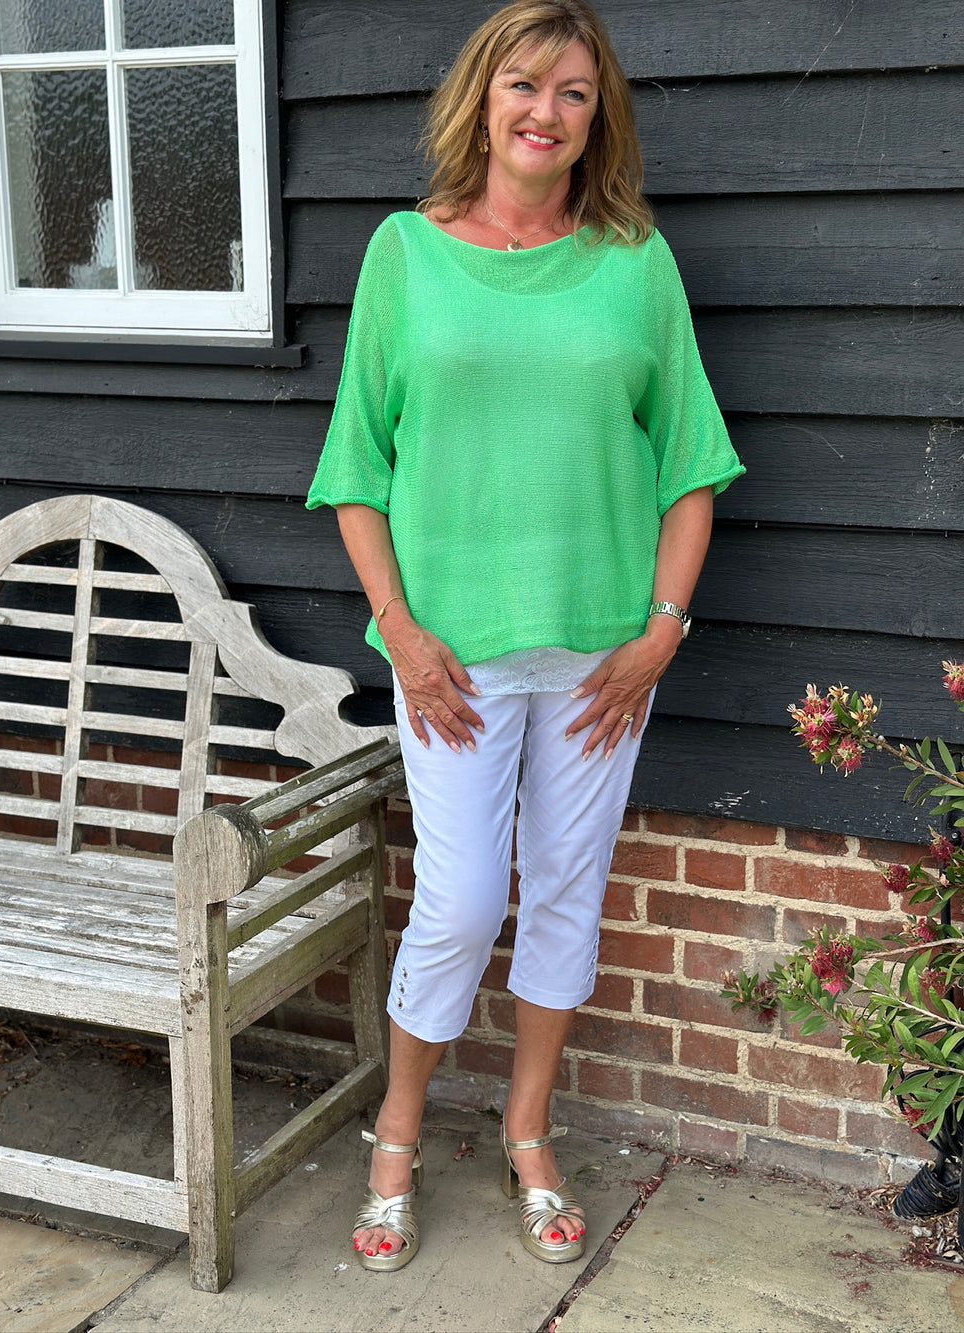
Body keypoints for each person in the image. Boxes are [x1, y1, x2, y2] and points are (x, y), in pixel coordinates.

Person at [307, 0, 744, 1273]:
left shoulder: (634, 262)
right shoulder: (404, 253)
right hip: (450, 655)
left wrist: (660, 633)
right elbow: (357, 469)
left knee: (563, 891)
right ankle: (397, 1135)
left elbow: (690, 466)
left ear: (597, 119)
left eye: (573, 92)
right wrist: (400, 631)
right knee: (458, 900)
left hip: (603, 656)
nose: (544, 112)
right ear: (480, 99)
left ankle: (527, 1131)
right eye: (522, 83)